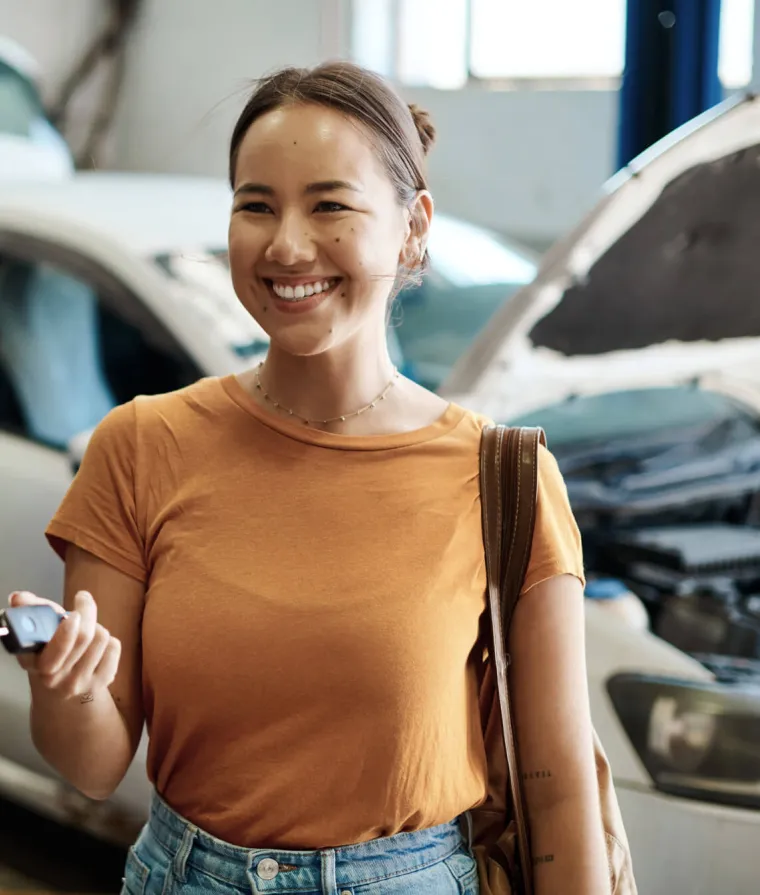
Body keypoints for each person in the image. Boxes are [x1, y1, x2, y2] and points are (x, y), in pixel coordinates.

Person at [11, 62, 610, 895]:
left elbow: (557, 778)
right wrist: (64, 684)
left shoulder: (501, 475)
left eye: (329, 204)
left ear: (412, 228)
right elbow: (93, 765)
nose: (287, 244)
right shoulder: (141, 444)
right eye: (255, 205)